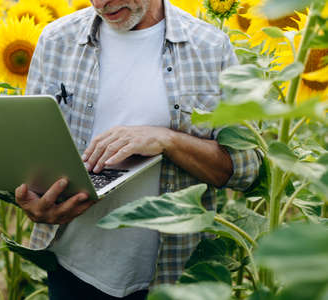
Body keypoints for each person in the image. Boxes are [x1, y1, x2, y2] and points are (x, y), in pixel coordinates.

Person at [15, 0, 262, 299]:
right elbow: (31, 150)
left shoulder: (211, 47)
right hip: (71, 266)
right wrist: (34, 200)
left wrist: (167, 140)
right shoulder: (56, 40)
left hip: (174, 274)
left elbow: (245, 169)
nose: (101, 3)